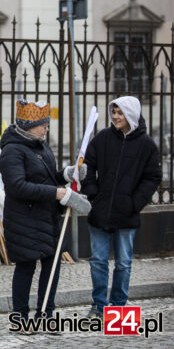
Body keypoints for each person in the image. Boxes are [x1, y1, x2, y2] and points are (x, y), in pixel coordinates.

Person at [0, 99, 91, 331]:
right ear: (29, 126)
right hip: (24, 220)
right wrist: (56, 193)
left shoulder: (41, 146)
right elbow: (17, 186)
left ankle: (46, 315)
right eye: (43, 125)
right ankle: (20, 318)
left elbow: (47, 178)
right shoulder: (11, 151)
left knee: (52, 268)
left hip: (47, 218)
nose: (47, 129)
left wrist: (66, 174)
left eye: (47, 124)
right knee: (26, 268)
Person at [82, 96, 162, 319]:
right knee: (98, 261)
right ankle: (99, 306)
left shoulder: (147, 145)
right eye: (114, 112)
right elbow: (87, 165)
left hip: (126, 215)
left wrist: (134, 203)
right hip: (100, 213)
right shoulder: (103, 138)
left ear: (131, 115)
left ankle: (117, 308)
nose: (115, 117)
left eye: (120, 113)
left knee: (123, 264)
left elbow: (153, 177)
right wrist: (93, 195)